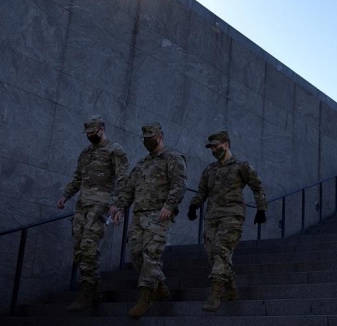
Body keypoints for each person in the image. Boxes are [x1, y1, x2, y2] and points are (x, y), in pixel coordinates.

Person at [108, 122, 187, 318]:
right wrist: (120, 207)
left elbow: (179, 185)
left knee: (151, 255)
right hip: (139, 216)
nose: (147, 142)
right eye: (145, 139)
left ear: (160, 137)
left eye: (150, 138)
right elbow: (129, 189)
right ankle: (159, 286)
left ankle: (145, 299)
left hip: (159, 215)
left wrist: (169, 206)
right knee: (136, 254)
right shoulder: (142, 164)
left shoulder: (173, 158)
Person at [187, 130, 268, 312]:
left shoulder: (241, 166)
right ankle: (231, 289)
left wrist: (261, 209)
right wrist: (194, 205)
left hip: (232, 215)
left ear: (226, 143)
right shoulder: (210, 169)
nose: (214, 150)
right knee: (211, 254)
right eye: (211, 147)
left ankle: (215, 294)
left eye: (216, 146)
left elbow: (257, 186)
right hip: (212, 217)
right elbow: (202, 191)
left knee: (221, 250)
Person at [57, 115, 129, 311]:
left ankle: (86, 292)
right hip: (82, 206)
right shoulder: (85, 153)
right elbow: (77, 178)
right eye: (87, 133)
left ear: (102, 129)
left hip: (101, 205)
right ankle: (94, 290)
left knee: (89, 247)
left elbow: (123, 180)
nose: (90, 136)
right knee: (80, 249)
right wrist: (66, 196)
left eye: (93, 132)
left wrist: (117, 204)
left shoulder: (115, 150)